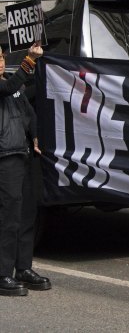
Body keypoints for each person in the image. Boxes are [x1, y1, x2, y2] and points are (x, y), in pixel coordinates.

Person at [0, 42, 51, 296]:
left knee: (27, 213)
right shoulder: (8, 84)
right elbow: (8, 88)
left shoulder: (14, 83)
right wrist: (30, 59)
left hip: (23, 155)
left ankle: (23, 268)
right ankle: (2, 273)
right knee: (8, 217)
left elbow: (28, 112)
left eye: (0, 57)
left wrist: (35, 136)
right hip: (3, 159)